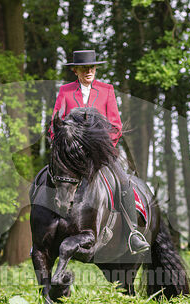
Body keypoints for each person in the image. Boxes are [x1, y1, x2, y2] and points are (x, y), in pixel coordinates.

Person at [50, 50, 150, 254]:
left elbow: (116, 125)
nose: (89, 71)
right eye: (84, 68)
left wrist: (100, 147)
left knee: (123, 181)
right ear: (75, 70)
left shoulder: (106, 90)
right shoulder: (66, 92)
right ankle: (41, 234)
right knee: (46, 177)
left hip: (100, 155)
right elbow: (56, 123)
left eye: (92, 67)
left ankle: (133, 233)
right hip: (72, 155)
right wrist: (63, 145)